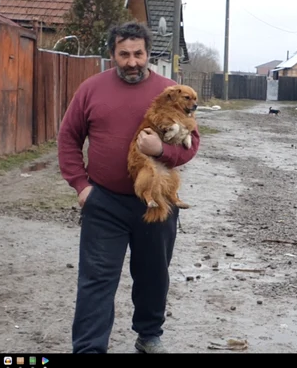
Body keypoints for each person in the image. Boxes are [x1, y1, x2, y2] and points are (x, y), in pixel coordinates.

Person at [57, 22, 200, 354]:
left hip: (156, 200)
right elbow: (68, 139)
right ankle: (89, 348)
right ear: (112, 55)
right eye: (124, 54)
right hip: (104, 201)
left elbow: (191, 144)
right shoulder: (91, 89)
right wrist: (81, 186)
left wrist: (162, 152)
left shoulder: (171, 91)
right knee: (96, 281)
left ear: (148, 54)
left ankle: (149, 335)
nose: (132, 61)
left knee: (153, 274)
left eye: (138, 54)